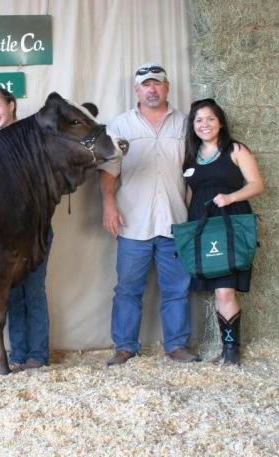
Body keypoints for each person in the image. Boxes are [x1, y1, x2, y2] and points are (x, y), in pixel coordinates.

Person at [99, 63, 201, 366]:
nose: (151, 89)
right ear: (137, 90)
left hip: (175, 220)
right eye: (145, 85)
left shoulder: (185, 124)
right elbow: (108, 171)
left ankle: (177, 346)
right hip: (132, 221)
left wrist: (193, 213)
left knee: (177, 289)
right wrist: (108, 205)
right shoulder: (120, 126)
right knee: (128, 289)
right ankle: (125, 346)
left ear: (167, 87)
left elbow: (194, 172)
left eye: (157, 84)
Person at [183, 98, 264, 365]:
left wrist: (229, 198)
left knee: (225, 291)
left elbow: (256, 184)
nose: (204, 124)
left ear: (220, 122)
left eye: (210, 119)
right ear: (192, 125)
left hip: (230, 222)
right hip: (204, 226)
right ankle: (227, 351)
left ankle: (231, 354)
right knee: (218, 290)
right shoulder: (190, 156)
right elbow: (190, 194)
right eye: (198, 120)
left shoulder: (235, 149)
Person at [0, 87, 52, 369]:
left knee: (33, 291)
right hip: (3, 234)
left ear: (11, 105)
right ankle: (19, 354)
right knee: (12, 293)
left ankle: (38, 355)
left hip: (33, 228)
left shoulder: (31, 138)